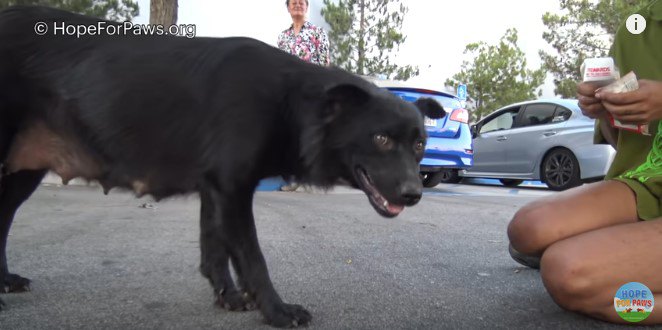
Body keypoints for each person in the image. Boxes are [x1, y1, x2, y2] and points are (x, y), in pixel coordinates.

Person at [507, 1, 662, 324]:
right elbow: (622, 142)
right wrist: (604, 109)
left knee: (569, 275)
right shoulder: (638, 27)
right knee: (527, 228)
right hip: (647, 182)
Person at [277, 0, 330, 191]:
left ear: (306, 7)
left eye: (301, 2)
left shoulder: (317, 33)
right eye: (294, 3)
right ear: (288, 8)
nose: (298, 5)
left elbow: (324, 63)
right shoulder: (283, 37)